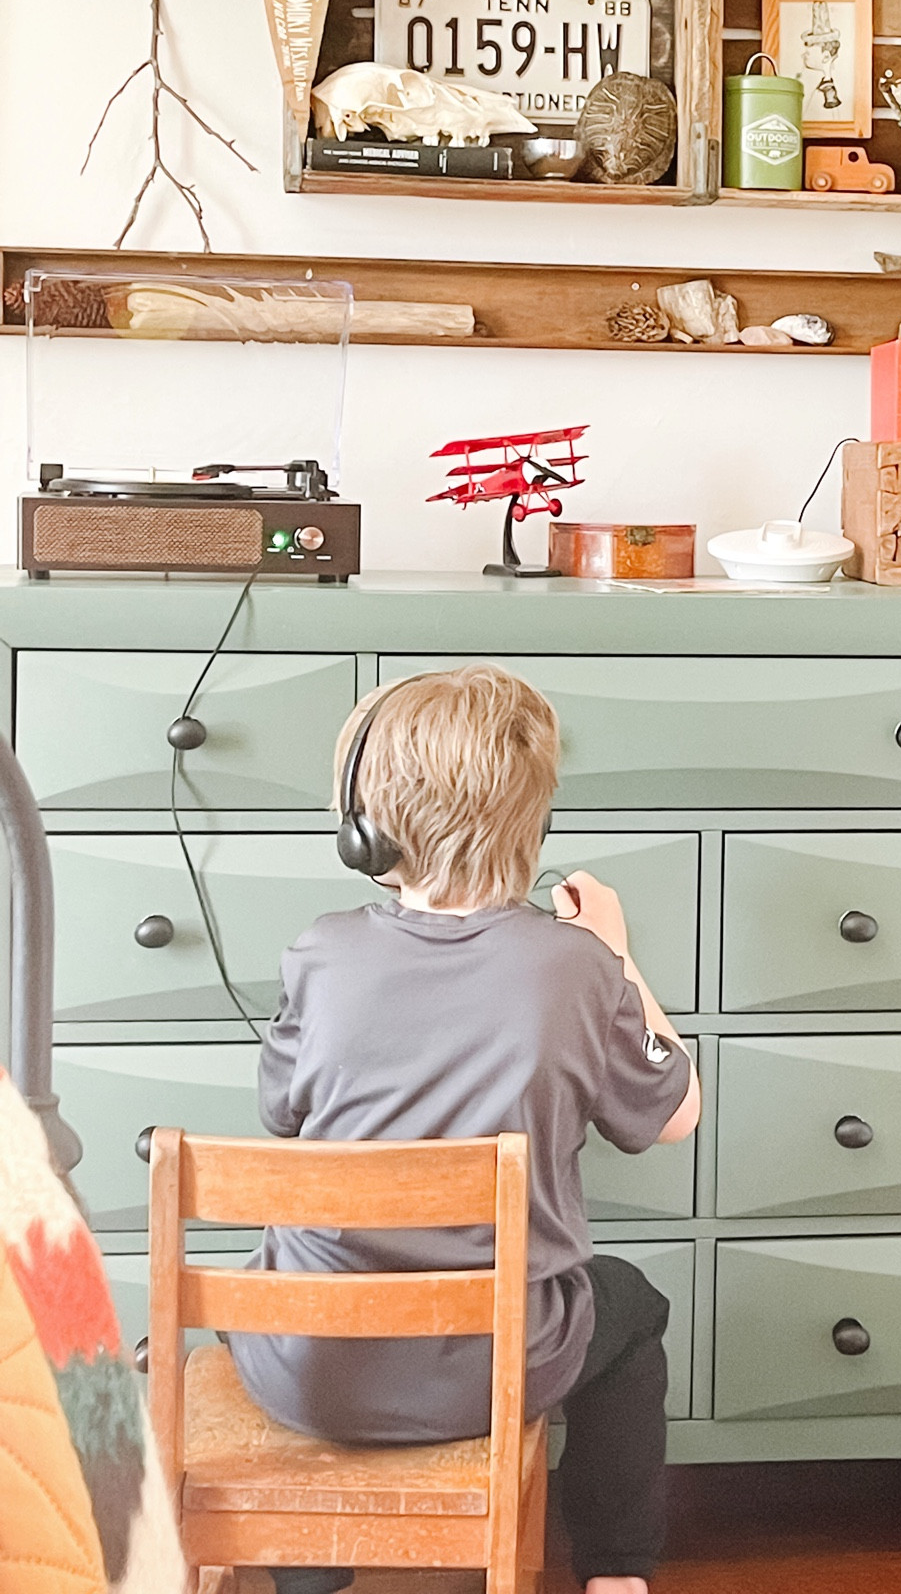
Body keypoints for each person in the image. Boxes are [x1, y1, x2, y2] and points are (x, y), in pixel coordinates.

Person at [227, 665, 702, 1594]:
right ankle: (615, 1573)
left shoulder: (320, 954)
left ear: (365, 831)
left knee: (271, 1282)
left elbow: (278, 1113)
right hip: (497, 1368)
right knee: (632, 1304)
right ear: (537, 818)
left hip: (308, 1366)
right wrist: (618, 953)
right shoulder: (573, 968)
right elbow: (675, 1116)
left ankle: (307, 1577)